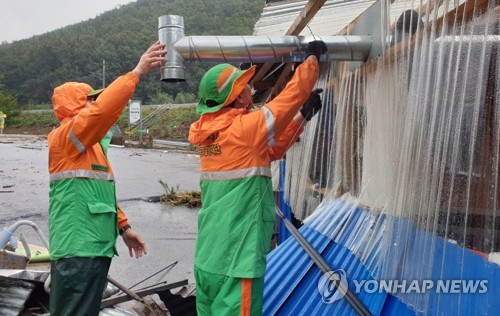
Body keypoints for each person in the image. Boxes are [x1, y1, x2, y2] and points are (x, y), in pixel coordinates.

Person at [188, 40, 327, 315]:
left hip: (208, 259)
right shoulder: (245, 129)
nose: (250, 90)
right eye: (245, 87)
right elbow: (289, 97)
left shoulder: (211, 135)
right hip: (237, 261)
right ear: (238, 97)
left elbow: (270, 151)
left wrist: (302, 117)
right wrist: (311, 62)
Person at [47, 41, 166, 315]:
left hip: (95, 247)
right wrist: (136, 72)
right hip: (78, 249)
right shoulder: (66, 138)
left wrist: (124, 229)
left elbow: (99, 196)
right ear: (78, 107)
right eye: (91, 99)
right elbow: (101, 112)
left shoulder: (91, 148)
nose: (96, 103)